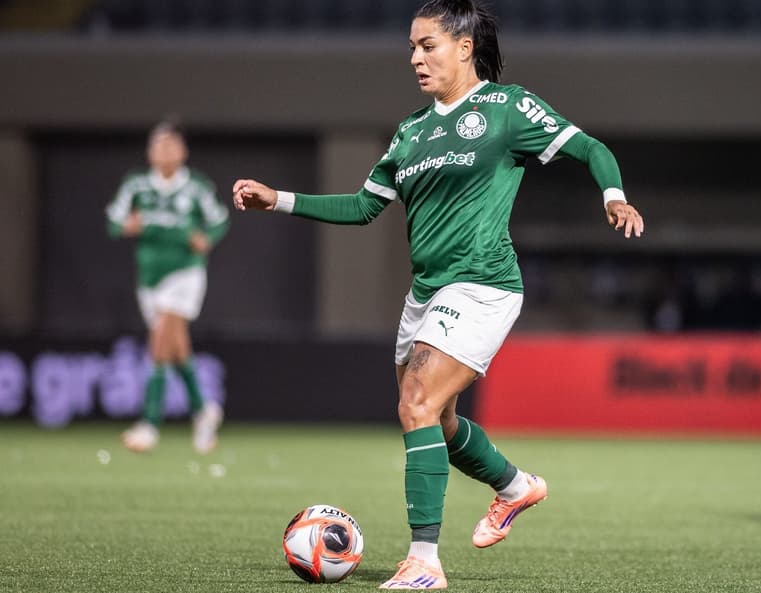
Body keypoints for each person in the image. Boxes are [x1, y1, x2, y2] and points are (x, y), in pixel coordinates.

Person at [232, 0, 643, 587]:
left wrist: (613, 196)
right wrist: (280, 200)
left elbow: (590, 148)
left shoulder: (505, 108)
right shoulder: (410, 131)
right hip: (426, 291)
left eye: (428, 45)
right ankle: (515, 486)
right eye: (411, 48)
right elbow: (362, 207)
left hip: (483, 283)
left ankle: (424, 561)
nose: (416, 58)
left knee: (416, 404)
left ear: (464, 47)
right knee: (438, 423)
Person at [106, 119, 229, 454]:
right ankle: (204, 411)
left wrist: (206, 239)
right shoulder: (137, 186)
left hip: (185, 274)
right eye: (158, 145)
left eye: (171, 144)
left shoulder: (195, 187)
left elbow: (218, 220)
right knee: (176, 348)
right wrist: (125, 226)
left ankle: (150, 423)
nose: (165, 151)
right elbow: (113, 220)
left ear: (183, 150)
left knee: (160, 339)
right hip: (149, 278)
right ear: (149, 152)